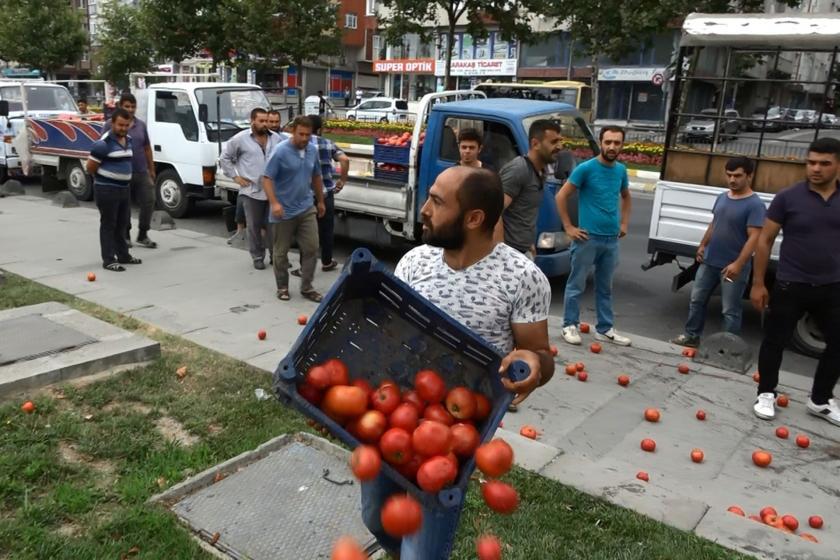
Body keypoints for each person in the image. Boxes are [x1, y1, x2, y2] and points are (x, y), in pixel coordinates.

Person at [363, 166, 554, 559]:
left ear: (473, 218)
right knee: (376, 518)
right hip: (396, 413)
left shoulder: (522, 278)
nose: (424, 210)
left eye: (436, 201)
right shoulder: (414, 263)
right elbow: (390, 337)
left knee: (425, 550)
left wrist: (532, 363)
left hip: (457, 433)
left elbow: (543, 358)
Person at [750, 137, 840, 425]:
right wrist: (758, 283)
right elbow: (764, 241)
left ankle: (821, 399)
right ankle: (766, 393)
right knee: (775, 341)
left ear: (837, 165)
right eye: (811, 162)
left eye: (824, 163)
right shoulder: (788, 197)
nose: (815, 168)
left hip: (832, 287)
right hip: (791, 284)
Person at [671, 157, 766, 348]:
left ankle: (726, 347)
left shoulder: (755, 205)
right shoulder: (722, 197)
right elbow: (715, 223)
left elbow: (754, 238)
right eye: (729, 175)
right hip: (709, 261)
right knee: (697, 300)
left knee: (730, 310)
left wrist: (738, 264)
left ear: (749, 175)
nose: (732, 180)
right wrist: (703, 245)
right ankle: (692, 336)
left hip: (732, 268)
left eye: (738, 176)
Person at [556, 125, 632, 347]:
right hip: (587, 239)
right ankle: (569, 325)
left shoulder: (621, 171)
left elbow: (626, 197)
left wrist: (625, 222)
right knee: (576, 284)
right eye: (608, 142)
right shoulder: (586, 169)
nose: (611, 146)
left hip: (611, 240)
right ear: (600, 142)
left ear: (621, 145)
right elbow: (561, 196)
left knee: (605, 286)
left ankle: (605, 328)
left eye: (616, 143)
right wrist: (569, 227)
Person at [262, 116, 326, 302]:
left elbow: (316, 177)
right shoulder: (280, 151)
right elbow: (267, 178)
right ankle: (282, 287)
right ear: (293, 131)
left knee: (312, 247)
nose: (305, 138)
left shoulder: (312, 150)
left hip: (306, 207)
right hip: (284, 211)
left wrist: (320, 201)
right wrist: (274, 203)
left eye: (308, 134)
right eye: (301, 134)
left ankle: (307, 287)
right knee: (280, 252)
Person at [220, 107, 281, 269]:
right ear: (252, 120)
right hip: (251, 191)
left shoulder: (276, 139)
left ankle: (276, 256)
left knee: (273, 226)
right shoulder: (240, 139)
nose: (264, 124)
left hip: (273, 190)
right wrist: (235, 177)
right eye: (261, 121)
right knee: (253, 226)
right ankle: (257, 256)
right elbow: (224, 158)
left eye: (266, 121)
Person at [290, 115, 349, 276]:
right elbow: (344, 159)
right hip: (326, 194)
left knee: (305, 232)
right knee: (327, 230)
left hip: (306, 196)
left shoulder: (300, 144)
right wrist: (342, 181)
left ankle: (304, 268)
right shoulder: (327, 143)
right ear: (320, 129)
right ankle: (327, 261)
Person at [495, 120, 563, 258]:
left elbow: (525, 213)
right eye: (553, 142)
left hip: (523, 251)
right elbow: (494, 212)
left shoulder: (539, 171)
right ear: (535, 144)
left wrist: (528, 244)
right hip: (510, 254)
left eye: (560, 141)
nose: (559, 146)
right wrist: (500, 252)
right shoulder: (519, 170)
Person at [86, 108, 142, 272]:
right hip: (106, 190)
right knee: (109, 224)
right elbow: (90, 167)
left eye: (126, 125)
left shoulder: (129, 140)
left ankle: (123, 255)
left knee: (123, 224)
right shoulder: (103, 144)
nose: (123, 128)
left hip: (124, 189)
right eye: (120, 125)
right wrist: (106, 178)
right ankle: (109, 259)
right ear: (112, 123)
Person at [102, 93, 157, 249]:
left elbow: (146, 147)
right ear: (120, 106)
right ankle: (125, 235)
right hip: (120, 173)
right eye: (127, 106)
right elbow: (102, 147)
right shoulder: (109, 125)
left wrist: (151, 169)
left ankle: (143, 234)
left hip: (141, 171)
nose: (131, 109)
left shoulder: (141, 125)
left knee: (149, 200)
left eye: (133, 106)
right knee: (124, 207)